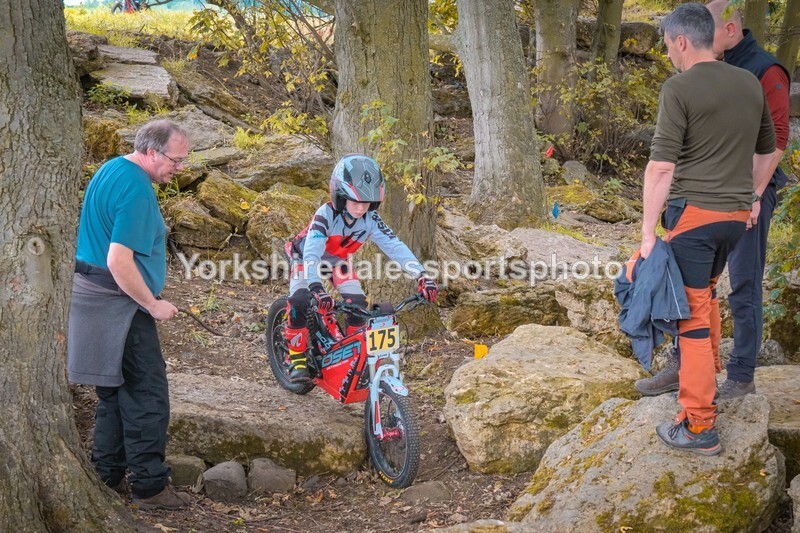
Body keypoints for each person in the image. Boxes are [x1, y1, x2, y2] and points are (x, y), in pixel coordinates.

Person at [638, 3, 775, 455]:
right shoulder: (749, 82)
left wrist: (646, 235)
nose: (669, 54)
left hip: (694, 217)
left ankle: (699, 425)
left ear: (681, 41)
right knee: (707, 295)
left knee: (690, 317)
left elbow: (660, 168)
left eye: (667, 45)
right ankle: (709, 382)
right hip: (736, 218)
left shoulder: (679, 87)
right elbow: (767, 150)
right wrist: (752, 197)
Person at [67, 119, 191, 509]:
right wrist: (152, 304)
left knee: (115, 395)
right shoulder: (137, 190)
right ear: (152, 152)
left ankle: (106, 475)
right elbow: (119, 260)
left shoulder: (111, 168)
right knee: (148, 396)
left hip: (91, 299)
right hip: (119, 305)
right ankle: (150, 487)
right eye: (176, 159)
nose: (181, 167)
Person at [284, 153, 438, 383]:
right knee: (300, 299)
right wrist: (315, 285)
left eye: (366, 203)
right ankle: (295, 358)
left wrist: (422, 275)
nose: (360, 208)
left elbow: (394, 246)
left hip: (336, 260)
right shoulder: (325, 215)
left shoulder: (371, 219)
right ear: (340, 196)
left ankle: (352, 358)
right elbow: (313, 253)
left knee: (357, 304)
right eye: (355, 202)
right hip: (303, 256)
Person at [706, 0, 791, 399]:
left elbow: (778, 139)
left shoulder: (766, 69)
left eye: (707, 30)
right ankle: (689, 364)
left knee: (743, 284)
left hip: (751, 193)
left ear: (729, 28)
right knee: (698, 281)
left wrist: (753, 195)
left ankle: (742, 376)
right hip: (713, 189)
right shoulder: (714, 66)